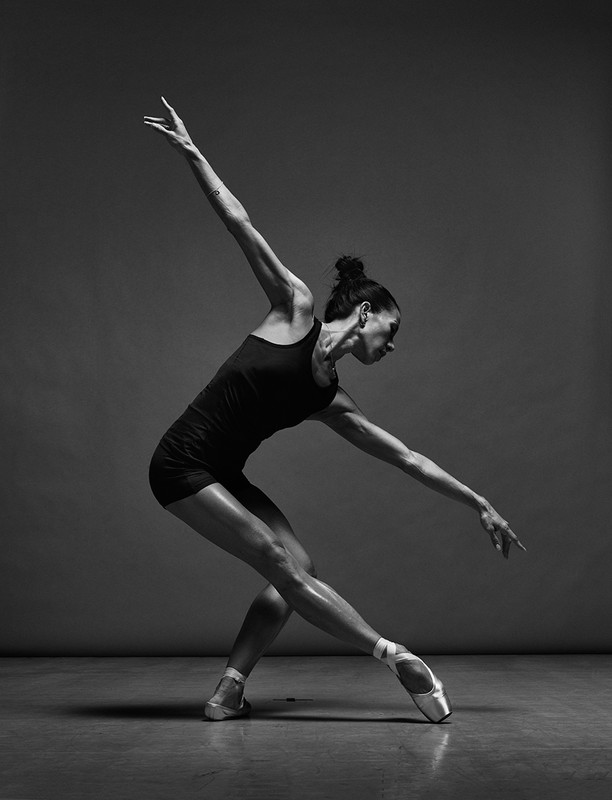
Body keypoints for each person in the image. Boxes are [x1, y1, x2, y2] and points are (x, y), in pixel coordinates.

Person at [144, 98, 526, 723]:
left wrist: (477, 501)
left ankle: (229, 689)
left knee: (297, 569)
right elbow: (239, 222)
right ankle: (394, 655)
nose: (392, 347)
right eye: (391, 331)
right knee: (278, 561)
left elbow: (408, 458)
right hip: (180, 464)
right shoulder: (293, 309)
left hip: (225, 474)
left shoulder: (329, 398)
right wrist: (193, 154)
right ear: (365, 313)